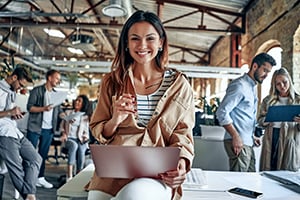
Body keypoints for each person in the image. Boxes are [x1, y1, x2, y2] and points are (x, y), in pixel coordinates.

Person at [86, 10, 195, 200]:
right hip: (113, 174)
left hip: (158, 173)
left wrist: (182, 164)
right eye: (135, 38)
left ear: (161, 42)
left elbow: (183, 134)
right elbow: (98, 129)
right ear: (126, 44)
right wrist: (115, 119)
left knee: (133, 196)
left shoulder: (179, 85)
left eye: (150, 38)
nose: (142, 45)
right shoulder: (111, 82)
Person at [216, 53, 276, 172]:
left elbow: (243, 115)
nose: (266, 75)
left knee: (250, 181)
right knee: (240, 184)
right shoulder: (239, 85)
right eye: (265, 70)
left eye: (268, 72)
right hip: (239, 141)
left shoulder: (251, 86)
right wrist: (235, 136)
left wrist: (252, 136)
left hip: (247, 141)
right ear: (255, 66)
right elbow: (222, 112)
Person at [0, 67, 42, 200]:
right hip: (4, 133)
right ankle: (29, 196)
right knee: (16, 167)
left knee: (36, 158)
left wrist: (14, 115)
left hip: (15, 131)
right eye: (20, 85)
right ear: (14, 78)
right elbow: (5, 112)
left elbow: (7, 113)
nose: (20, 89)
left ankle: (29, 193)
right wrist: (9, 112)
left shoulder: (11, 92)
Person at [257, 67, 300, 171]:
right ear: (274, 85)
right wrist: (267, 119)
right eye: (278, 84)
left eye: (284, 82)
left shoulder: (298, 100)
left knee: (287, 169)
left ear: (289, 81)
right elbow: (259, 121)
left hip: (290, 138)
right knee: (269, 167)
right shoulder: (268, 100)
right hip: (271, 137)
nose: (282, 86)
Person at [26, 69, 64, 189]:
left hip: (48, 129)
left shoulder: (56, 94)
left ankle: (40, 177)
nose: (58, 81)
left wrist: (67, 117)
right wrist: (44, 109)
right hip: (35, 127)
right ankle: (27, 177)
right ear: (50, 78)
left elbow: (59, 111)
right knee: (30, 153)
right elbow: (30, 107)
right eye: (57, 78)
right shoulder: (37, 91)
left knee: (43, 154)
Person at [60, 94, 90, 181]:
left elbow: (86, 132)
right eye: (76, 100)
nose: (77, 102)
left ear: (83, 104)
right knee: (74, 146)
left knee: (81, 149)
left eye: (79, 101)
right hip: (69, 138)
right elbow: (61, 127)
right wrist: (64, 133)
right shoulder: (68, 113)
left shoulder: (84, 116)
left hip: (80, 139)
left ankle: (79, 174)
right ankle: (69, 175)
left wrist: (85, 137)